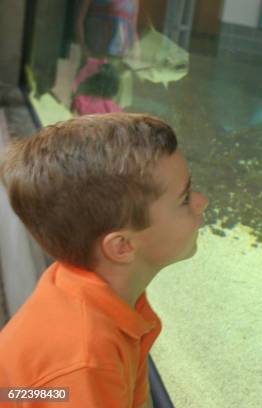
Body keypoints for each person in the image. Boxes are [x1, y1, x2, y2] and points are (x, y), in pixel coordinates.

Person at [0, 113, 208, 407]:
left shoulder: (98, 292)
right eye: (184, 198)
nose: (202, 201)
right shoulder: (87, 361)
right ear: (122, 247)